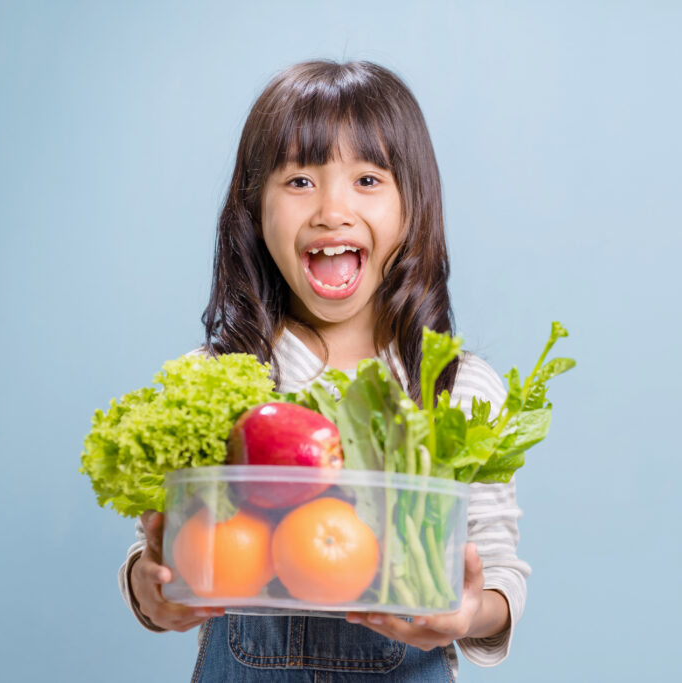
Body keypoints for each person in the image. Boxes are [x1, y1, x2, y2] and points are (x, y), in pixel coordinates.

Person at [117, 59, 530, 682]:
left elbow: (497, 571)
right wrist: (148, 591)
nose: (332, 211)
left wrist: (469, 611)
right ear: (254, 209)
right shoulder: (223, 379)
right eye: (300, 181)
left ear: (413, 208)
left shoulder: (455, 386)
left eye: (368, 179)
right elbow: (161, 545)